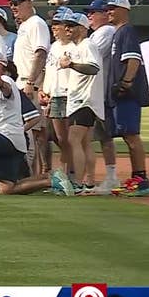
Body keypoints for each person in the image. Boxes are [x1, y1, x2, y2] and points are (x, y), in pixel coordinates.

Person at [0, 50, 72, 196]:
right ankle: (51, 180)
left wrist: (1, 84)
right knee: (7, 189)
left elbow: (7, 90)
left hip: (5, 137)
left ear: (0, 66)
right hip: (11, 142)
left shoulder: (5, 81)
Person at [105, 0, 149, 197]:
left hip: (128, 94)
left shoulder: (127, 31)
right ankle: (136, 177)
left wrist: (126, 82)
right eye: (107, 8)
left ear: (124, 10)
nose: (109, 11)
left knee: (131, 135)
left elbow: (133, 59)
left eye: (113, 8)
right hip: (121, 94)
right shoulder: (118, 33)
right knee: (127, 135)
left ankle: (141, 180)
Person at [58, 13, 103, 194]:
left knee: (73, 140)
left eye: (72, 25)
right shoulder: (79, 47)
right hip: (83, 99)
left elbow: (93, 68)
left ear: (83, 28)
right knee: (84, 142)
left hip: (84, 100)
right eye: (67, 25)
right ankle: (89, 181)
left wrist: (71, 65)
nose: (68, 28)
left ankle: (77, 182)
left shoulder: (87, 45)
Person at [9, 0, 50, 175]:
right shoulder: (25, 25)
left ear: (29, 3)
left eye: (17, 3)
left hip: (30, 82)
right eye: (11, 3)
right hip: (23, 81)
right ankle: (34, 175)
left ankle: (44, 174)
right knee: (31, 133)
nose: (13, 7)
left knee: (37, 132)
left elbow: (40, 53)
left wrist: (31, 82)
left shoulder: (36, 23)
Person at [84, 0, 118, 194]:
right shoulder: (98, 33)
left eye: (94, 12)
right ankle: (108, 176)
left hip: (100, 92)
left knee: (102, 136)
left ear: (105, 14)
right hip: (97, 92)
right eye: (89, 12)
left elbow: (90, 57)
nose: (90, 15)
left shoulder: (105, 32)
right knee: (100, 137)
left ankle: (110, 177)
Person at [41, 10, 75, 176]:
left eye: (57, 24)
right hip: (54, 96)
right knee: (59, 138)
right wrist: (45, 90)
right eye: (53, 24)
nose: (54, 27)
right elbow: (50, 71)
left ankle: (71, 172)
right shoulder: (54, 47)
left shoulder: (74, 46)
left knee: (68, 139)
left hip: (69, 96)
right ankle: (65, 172)